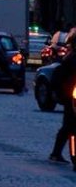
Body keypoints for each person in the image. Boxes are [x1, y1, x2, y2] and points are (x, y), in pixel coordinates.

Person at [49, 31, 76, 165]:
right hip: (72, 98)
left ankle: (57, 152)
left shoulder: (70, 57)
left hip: (70, 97)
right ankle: (61, 153)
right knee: (69, 126)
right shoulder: (71, 59)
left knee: (68, 126)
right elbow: (62, 78)